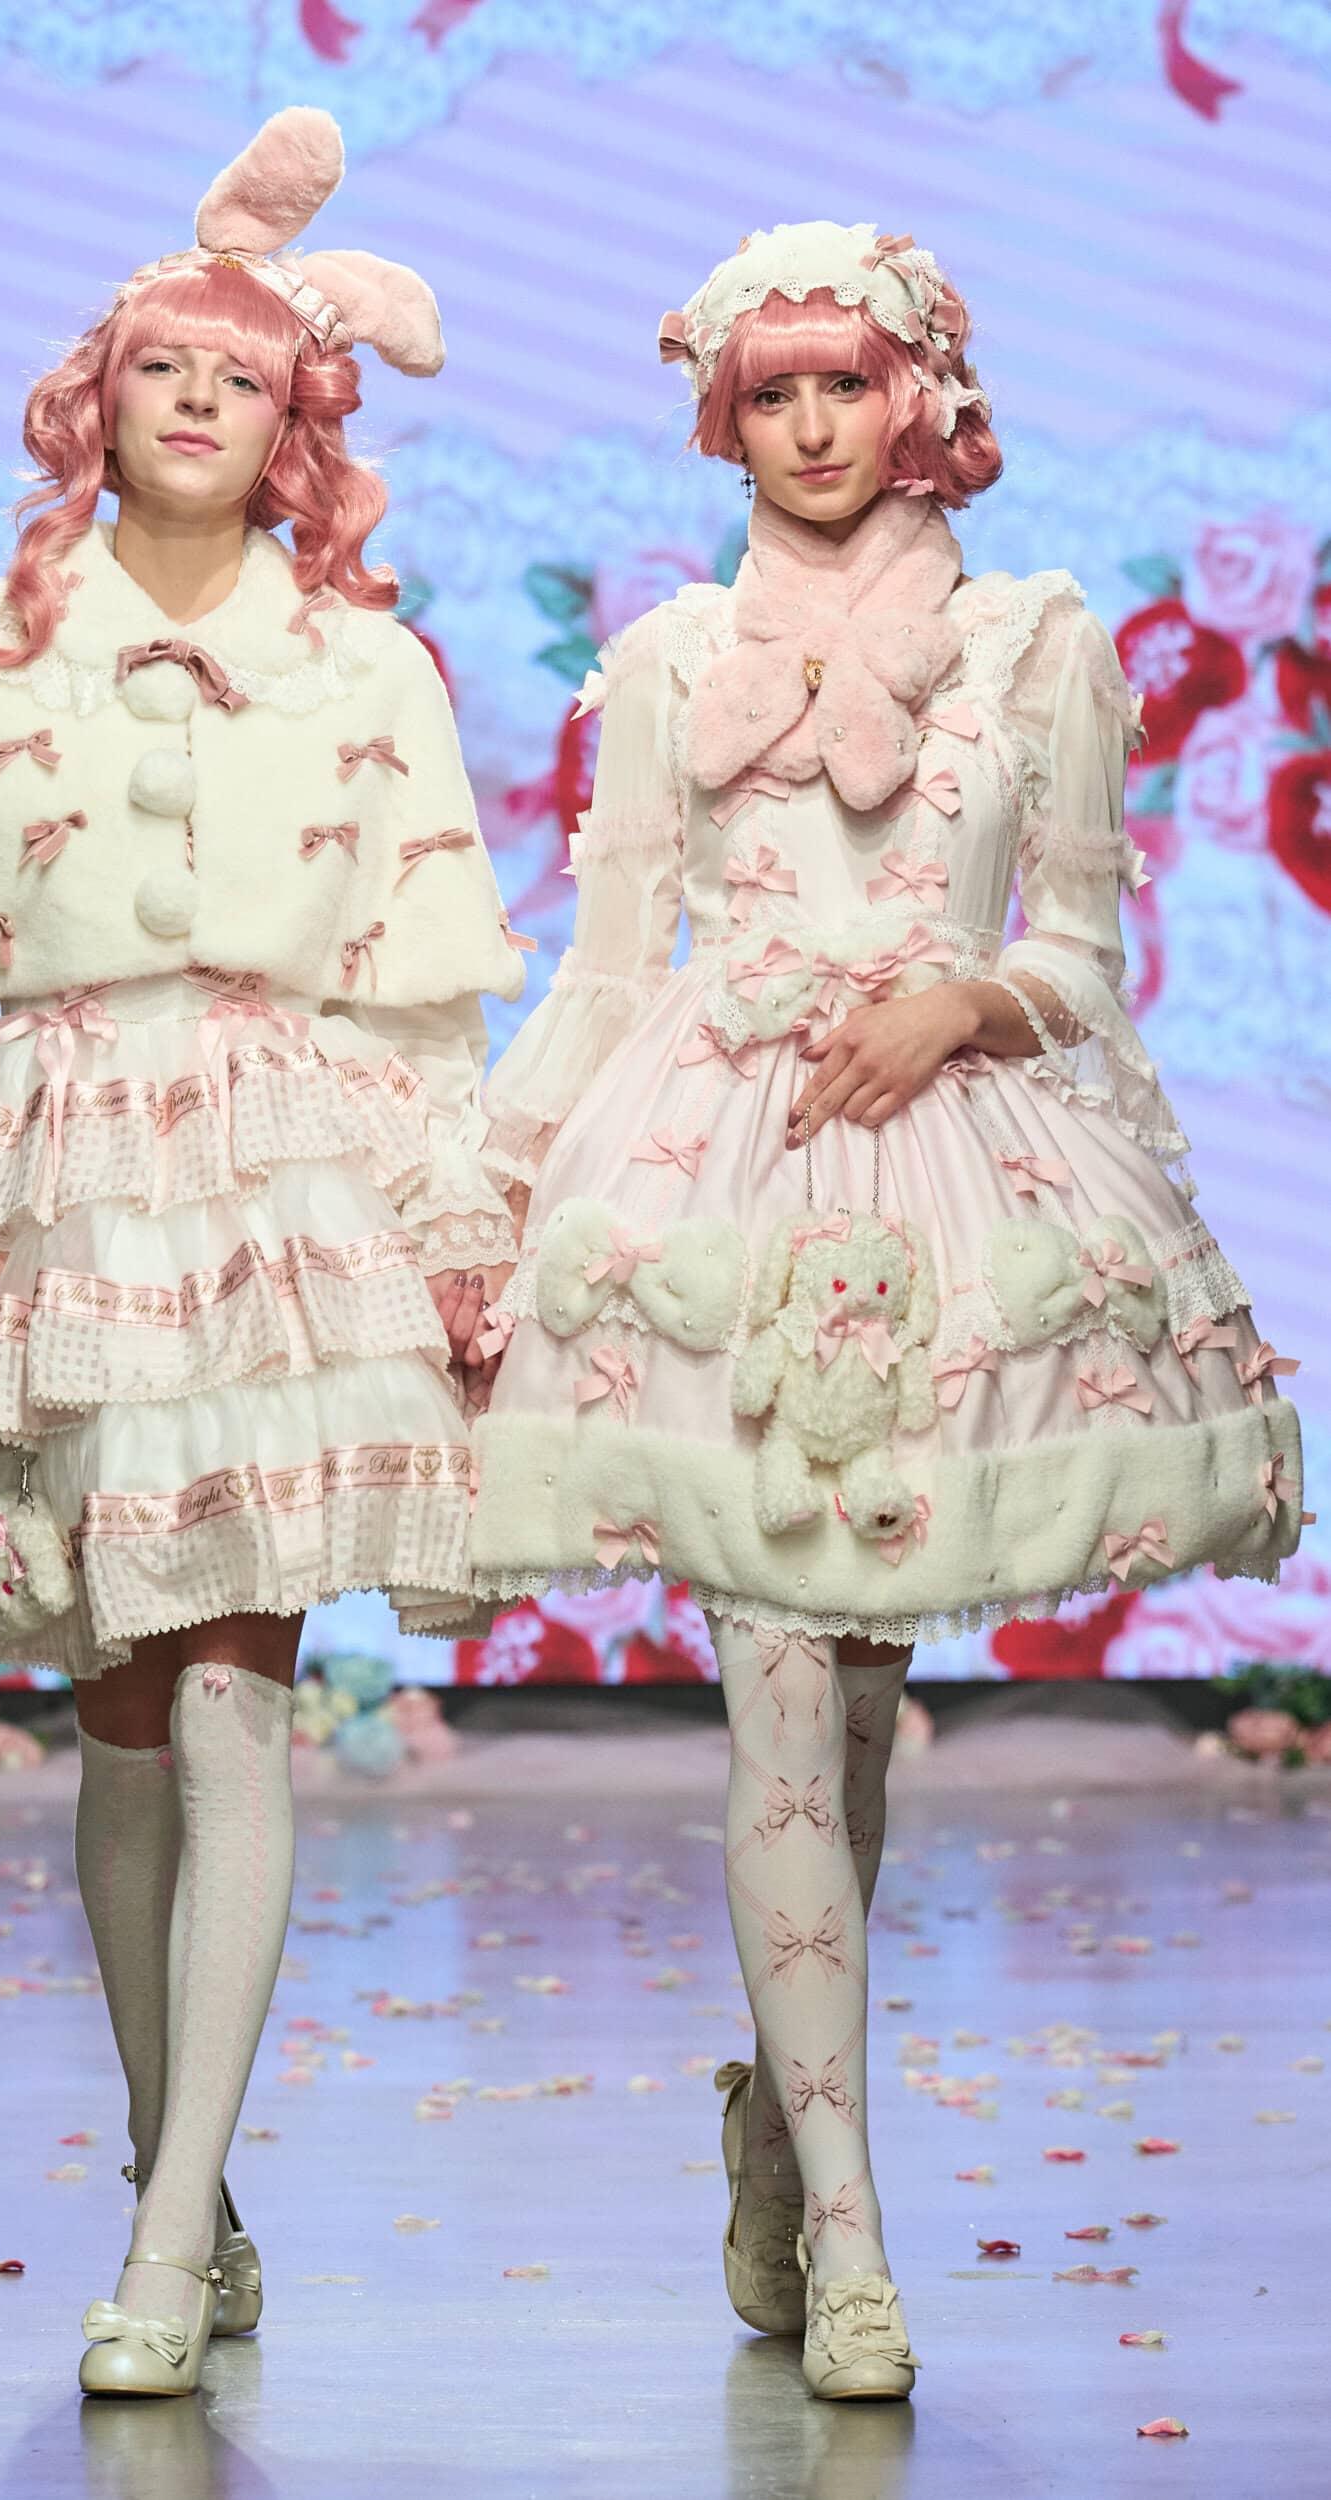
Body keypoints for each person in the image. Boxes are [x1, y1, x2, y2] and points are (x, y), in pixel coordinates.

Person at [468, 218, 1303, 2400]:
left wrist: (965, 1001)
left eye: (848, 382)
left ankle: (780, 2126)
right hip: (718, 1196)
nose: (815, 425)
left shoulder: (1039, 641)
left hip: (946, 1184)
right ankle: (852, 2241)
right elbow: (614, 972)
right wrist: (490, 1200)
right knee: (775, 1697)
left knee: (851, 1714)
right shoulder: (670, 658)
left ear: (920, 396)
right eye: (774, 393)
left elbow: (1089, 956)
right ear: (724, 418)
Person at [0, 108, 521, 2397]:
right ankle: (191, 2175)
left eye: (240, 375)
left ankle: (168, 2241)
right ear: (101, 396)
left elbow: (419, 999)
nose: (196, 400)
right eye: (162, 365)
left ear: (296, 425)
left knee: (240, 1681)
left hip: (283, 1190)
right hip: (55, 1181)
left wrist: (447, 1227)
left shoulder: (367, 671)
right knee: (120, 1716)